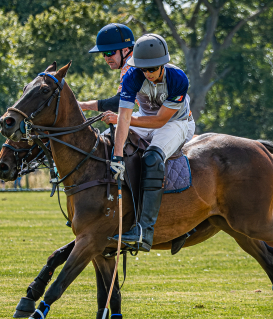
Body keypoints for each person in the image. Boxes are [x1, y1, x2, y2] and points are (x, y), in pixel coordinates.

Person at [109, 34, 195, 252]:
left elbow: (159, 121)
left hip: (175, 122)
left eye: (152, 69)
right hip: (143, 118)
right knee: (107, 141)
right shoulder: (133, 76)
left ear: (163, 65)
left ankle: (144, 230)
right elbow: (124, 116)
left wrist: (124, 121)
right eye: (143, 69)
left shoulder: (178, 78)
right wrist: (117, 156)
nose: (147, 74)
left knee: (152, 158)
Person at [78, 23, 136, 113]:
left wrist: (82, 105)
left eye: (110, 52)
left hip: (160, 121)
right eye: (103, 53)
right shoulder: (130, 64)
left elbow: (118, 103)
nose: (106, 57)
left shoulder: (132, 68)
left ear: (125, 50)